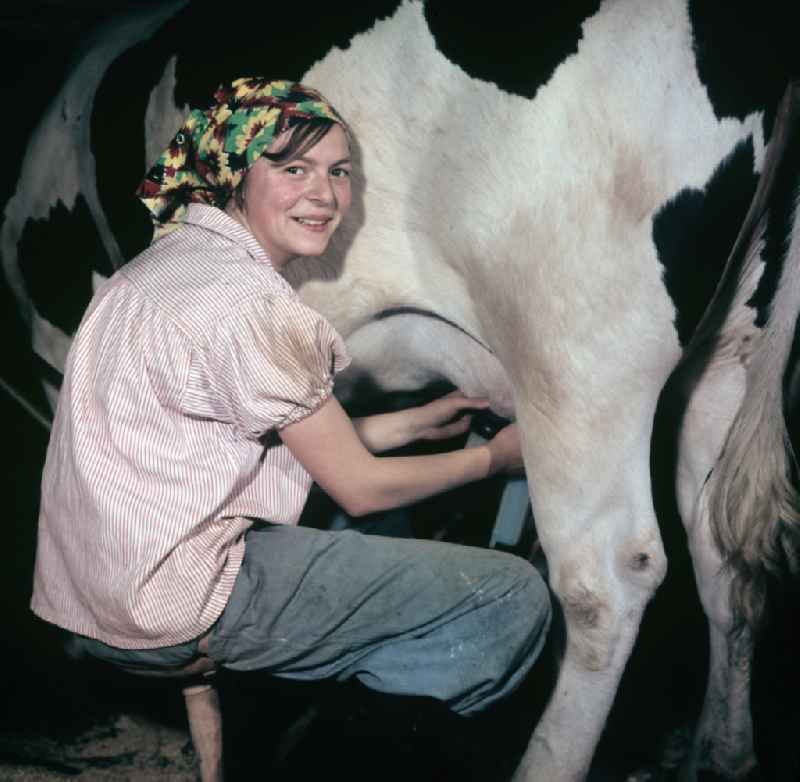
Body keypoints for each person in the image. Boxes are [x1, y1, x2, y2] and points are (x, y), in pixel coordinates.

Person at [31, 77, 550, 734]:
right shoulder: (251, 304)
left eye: (339, 171)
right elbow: (360, 488)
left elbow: (243, 434)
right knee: (508, 596)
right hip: (173, 609)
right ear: (237, 172)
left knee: (371, 542)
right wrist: (496, 460)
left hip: (91, 604)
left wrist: (413, 422)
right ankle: (354, 750)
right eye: (294, 167)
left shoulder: (161, 266)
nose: (326, 195)